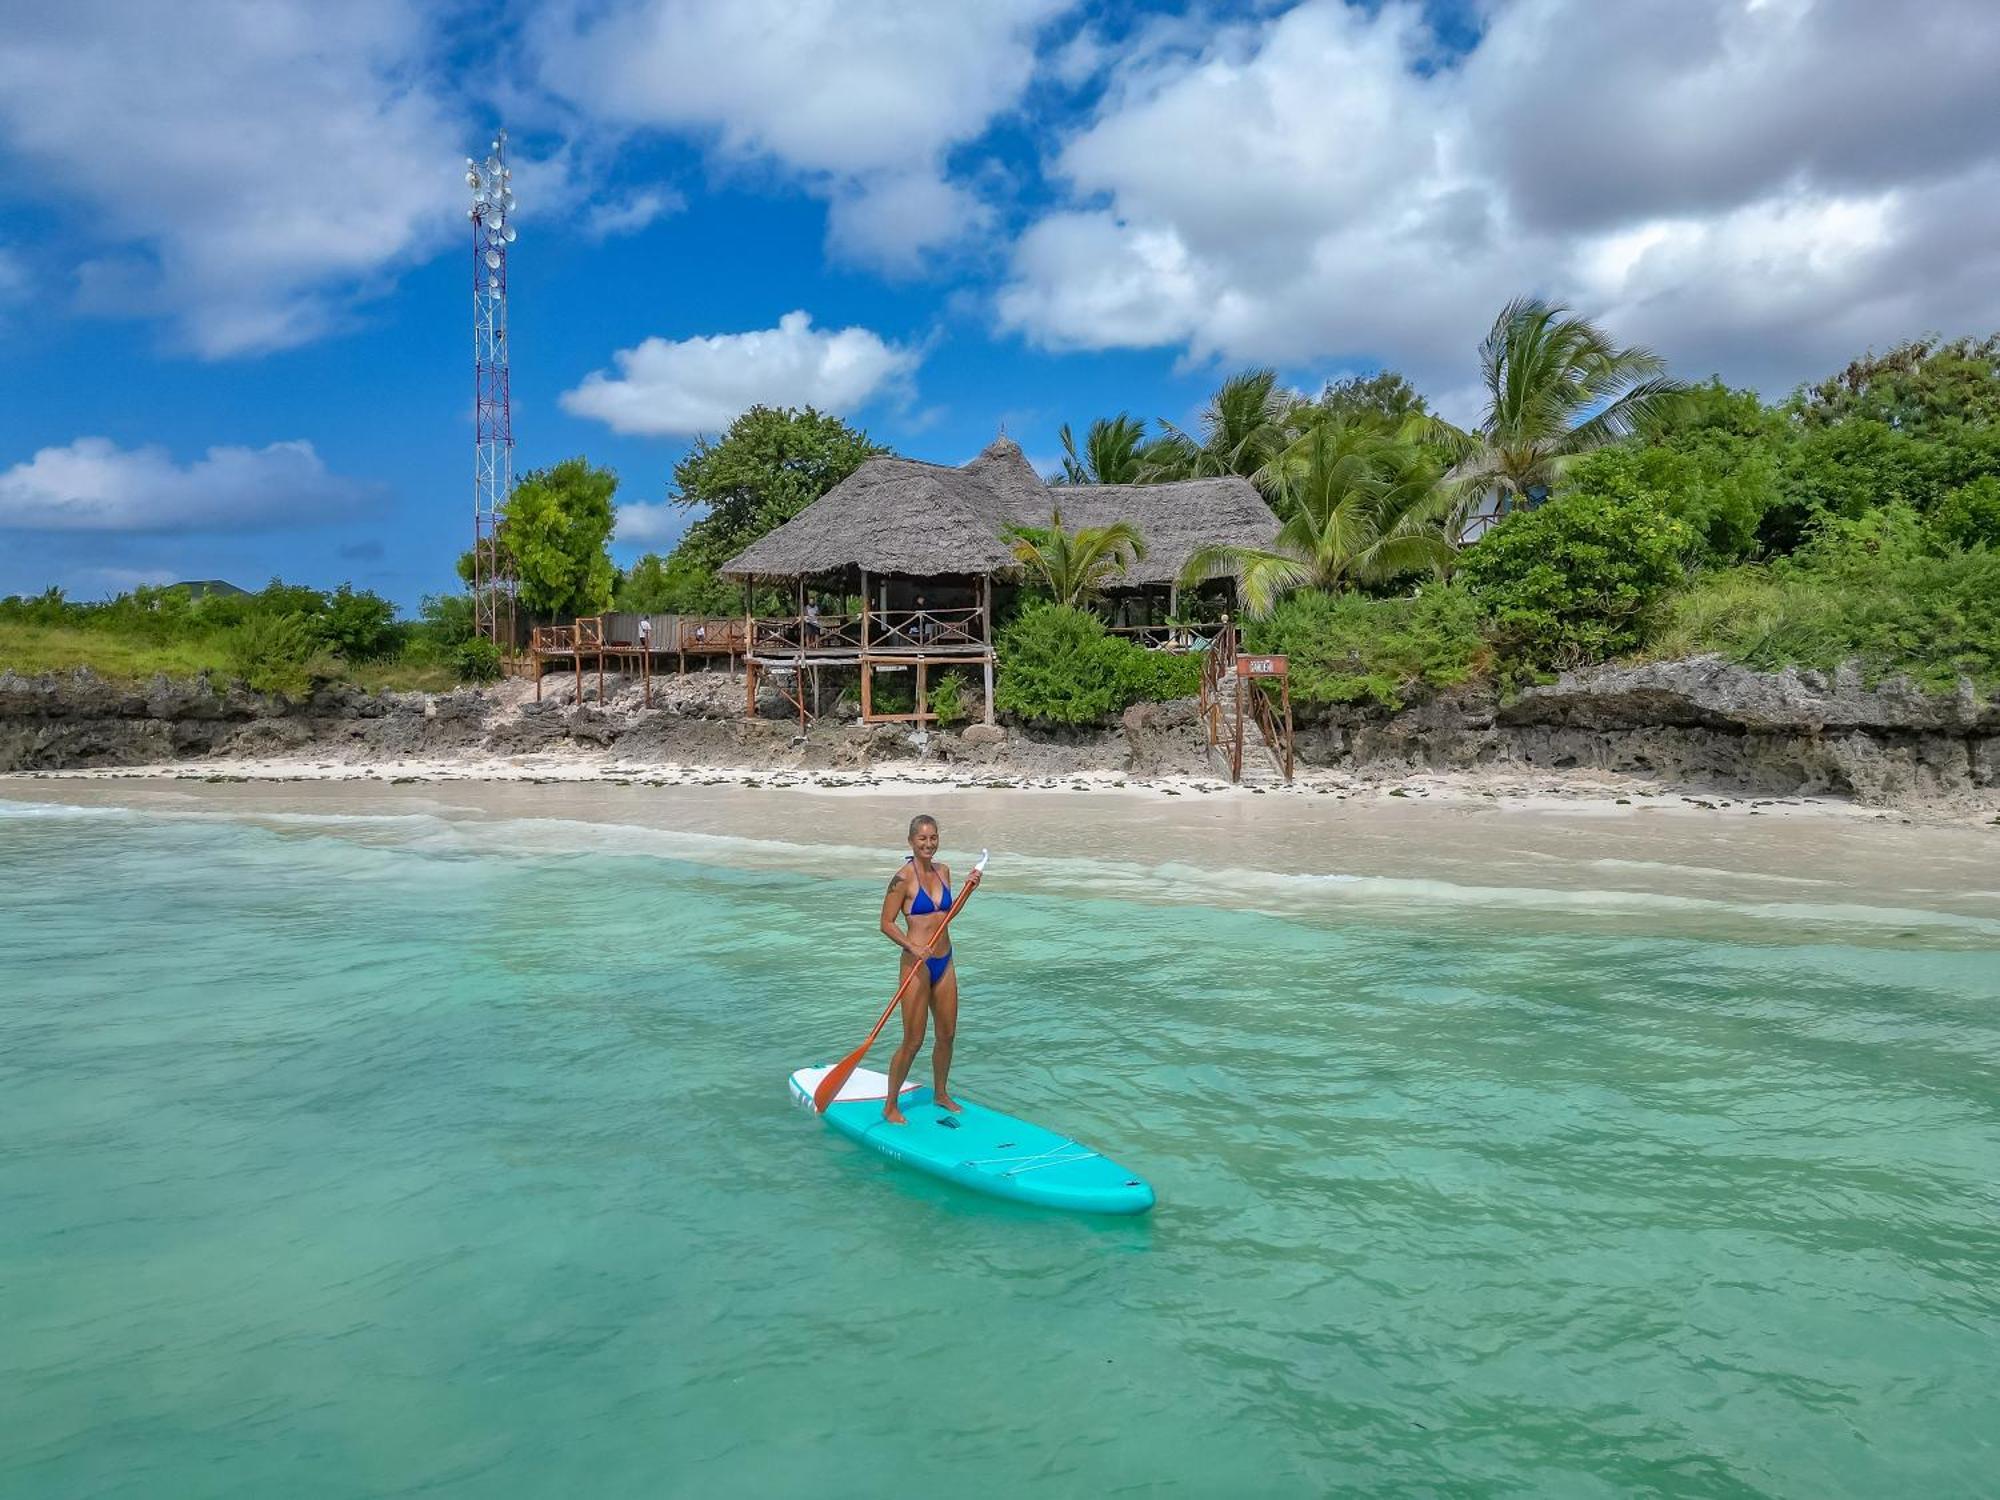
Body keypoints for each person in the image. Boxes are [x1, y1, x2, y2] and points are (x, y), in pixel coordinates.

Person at [877, 813, 981, 1123]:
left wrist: (968, 891)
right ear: (911, 841)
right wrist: (912, 947)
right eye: (922, 838)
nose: (928, 843)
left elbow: (946, 917)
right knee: (914, 1040)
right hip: (916, 965)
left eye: (933, 837)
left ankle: (940, 1093)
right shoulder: (901, 879)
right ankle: (891, 1104)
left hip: (944, 960)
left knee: (947, 1035)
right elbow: (885, 923)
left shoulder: (944, 871)